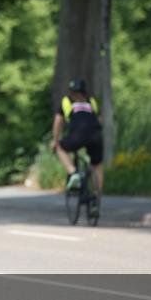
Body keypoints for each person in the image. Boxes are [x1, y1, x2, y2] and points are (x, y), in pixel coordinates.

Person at [51, 79, 103, 207]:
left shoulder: (66, 101)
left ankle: (73, 172)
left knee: (60, 148)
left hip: (78, 135)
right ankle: (97, 195)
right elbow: (100, 120)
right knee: (96, 165)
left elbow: (58, 123)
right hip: (95, 135)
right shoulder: (92, 102)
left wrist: (56, 140)